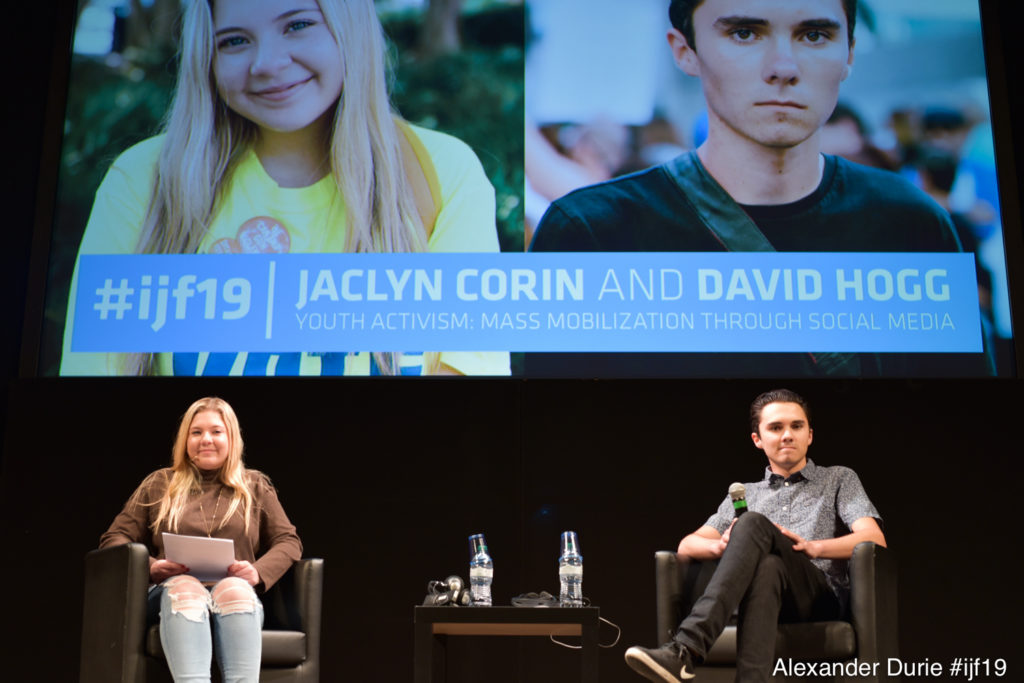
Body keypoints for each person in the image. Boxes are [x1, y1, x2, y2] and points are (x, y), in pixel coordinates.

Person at [528, 0, 988, 377]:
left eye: (815, 35)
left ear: (849, 52)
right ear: (684, 49)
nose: (783, 67)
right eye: (745, 33)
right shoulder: (595, 234)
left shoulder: (910, 223)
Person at [60, 0, 509, 377]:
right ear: (206, 56)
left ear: (348, 27)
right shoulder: (144, 178)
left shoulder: (444, 171)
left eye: (297, 25)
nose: (268, 64)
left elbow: (469, 419)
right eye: (234, 40)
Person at [624, 389, 885, 682]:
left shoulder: (838, 478)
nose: (787, 435)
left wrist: (814, 547)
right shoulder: (744, 493)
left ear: (809, 435)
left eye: (796, 426)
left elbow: (873, 538)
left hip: (816, 597)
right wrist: (720, 545)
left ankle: (686, 648)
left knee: (751, 522)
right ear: (757, 440)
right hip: (761, 597)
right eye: (776, 428)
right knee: (768, 566)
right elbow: (688, 545)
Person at [99, 397, 303, 681]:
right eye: (196, 432)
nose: (206, 439)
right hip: (173, 592)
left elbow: (288, 541)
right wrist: (151, 566)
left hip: (233, 590)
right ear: (185, 439)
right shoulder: (160, 483)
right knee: (187, 587)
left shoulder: (254, 486)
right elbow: (114, 538)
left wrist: (257, 571)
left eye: (216, 431)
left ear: (231, 438)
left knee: (233, 589)